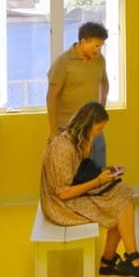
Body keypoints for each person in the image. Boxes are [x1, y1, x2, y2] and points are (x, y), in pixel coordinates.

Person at [40, 101, 139, 277]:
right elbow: (63, 193)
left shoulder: (75, 141)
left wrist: (106, 171)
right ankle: (127, 259)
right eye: (98, 129)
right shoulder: (62, 148)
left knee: (123, 196)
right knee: (121, 205)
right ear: (86, 125)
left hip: (71, 195)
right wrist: (98, 181)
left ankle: (114, 261)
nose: (99, 133)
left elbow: (80, 172)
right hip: (59, 206)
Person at [47, 21, 110, 167]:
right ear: (83, 42)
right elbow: (52, 96)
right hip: (68, 127)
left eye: (101, 46)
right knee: (74, 172)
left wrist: (101, 109)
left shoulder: (99, 60)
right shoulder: (63, 63)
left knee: (98, 168)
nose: (98, 50)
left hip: (94, 126)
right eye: (96, 46)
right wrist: (53, 130)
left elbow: (105, 83)